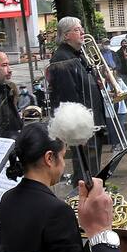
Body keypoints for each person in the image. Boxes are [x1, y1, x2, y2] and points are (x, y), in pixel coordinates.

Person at [0, 123, 93, 252]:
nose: (64, 165)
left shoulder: (7, 198)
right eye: (63, 157)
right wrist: (104, 243)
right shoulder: (58, 211)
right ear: (49, 158)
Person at [48, 17, 112, 156]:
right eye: (77, 30)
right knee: (86, 171)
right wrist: (79, 131)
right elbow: (68, 96)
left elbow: (82, 84)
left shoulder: (78, 54)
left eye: (81, 29)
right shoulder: (62, 59)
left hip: (91, 122)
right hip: (81, 127)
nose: (82, 32)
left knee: (92, 169)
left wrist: (97, 82)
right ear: (66, 35)